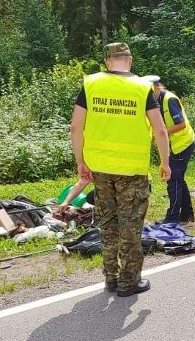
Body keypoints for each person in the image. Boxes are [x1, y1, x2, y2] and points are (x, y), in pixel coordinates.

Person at [71, 42, 171, 297]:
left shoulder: (91, 84)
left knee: (109, 223)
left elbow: (76, 127)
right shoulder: (142, 88)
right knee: (131, 226)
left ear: (106, 62)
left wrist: (80, 161)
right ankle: (129, 283)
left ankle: (111, 280)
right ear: (130, 60)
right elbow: (160, 129)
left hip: (100, 168)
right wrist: (164, 162)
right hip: (132, 170)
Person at [143, 75, 195, 224]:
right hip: (175, 145)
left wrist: (161, 133)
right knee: (179, 179)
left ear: (156, 87)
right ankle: (187, 215)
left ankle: (172, 218)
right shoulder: (156, 101)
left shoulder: (169, 100)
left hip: (183, 144)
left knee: (173, 180)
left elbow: (181, 124)